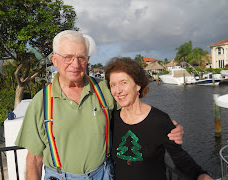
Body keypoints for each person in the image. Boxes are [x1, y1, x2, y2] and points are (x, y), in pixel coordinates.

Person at [15, 30, 184, 180]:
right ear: (54, 60)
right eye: (68, 57)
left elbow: (134, 114)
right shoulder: (41, 101)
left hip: (103, 174)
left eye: (81, 57)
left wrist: (166, 129)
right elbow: (34, 160)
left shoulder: (103, 89)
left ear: (88, 60)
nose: (75, 64)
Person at [104, 57, 213, 180]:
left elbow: (179, 157)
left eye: (124, 82)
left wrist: (200, 175)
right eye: (113, 85)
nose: (118, 90)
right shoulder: (112, 119)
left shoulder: (159, 120)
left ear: (138, 85)